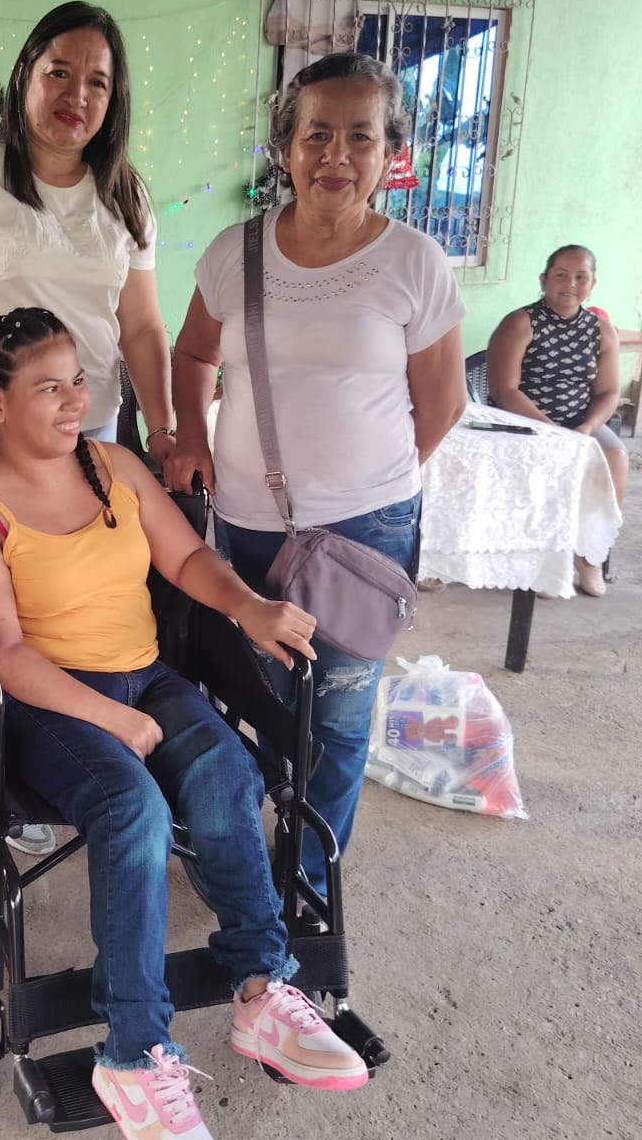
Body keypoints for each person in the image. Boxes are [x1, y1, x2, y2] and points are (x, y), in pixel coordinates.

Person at [0, 307, 370, 1140]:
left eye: (78, 381)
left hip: (146, 673)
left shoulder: (114, 466)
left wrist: (248, 605)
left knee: (228, 773)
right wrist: (110, 716)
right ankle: (134, 1055)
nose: (74, 400)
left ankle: (261, 986)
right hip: (51, 701)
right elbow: (8, 657)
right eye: (48, 387)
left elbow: (184, 562)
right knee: (131, 807)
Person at [167, 52, 467, 899]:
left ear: (390, 153)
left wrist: (367, 483)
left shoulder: (413, 261)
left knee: (336, 709)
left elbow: (442, 403)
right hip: (249, 522)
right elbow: (192, 354)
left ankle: (304, 881)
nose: (336, 155)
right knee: (267, 692)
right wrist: (188, 432)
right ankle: (270, 824)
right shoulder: (235, 253)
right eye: (317, 134)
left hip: (365, 528)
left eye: (360, 137)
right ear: (285, 148)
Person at [0, 0, 176, 496]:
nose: (76, 95)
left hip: (90, 429)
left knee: (88, 549)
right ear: (24, 75)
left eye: (97, 83)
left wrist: (163, 431)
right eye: (59, 72)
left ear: (113, 100)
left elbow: (142, 326)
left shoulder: (126, 194)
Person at [487, 244, 626, 597]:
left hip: (580, 423)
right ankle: (548, 558)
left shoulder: (601, 330)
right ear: (544, 279)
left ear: (592, 283)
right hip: (525, 421)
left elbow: (609, 392)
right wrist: (551, 430)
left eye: (581, 277)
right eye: (561, 275)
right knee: (554, 461)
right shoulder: (521, 322)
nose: (570, 284)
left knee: (614, 456)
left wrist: (586, 428)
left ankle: (588, 555)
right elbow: (504, 389)